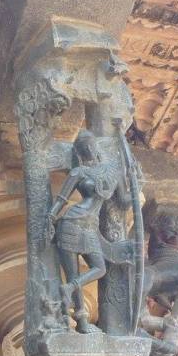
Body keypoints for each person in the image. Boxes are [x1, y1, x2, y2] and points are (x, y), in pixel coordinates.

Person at [48, 130, 118, 333]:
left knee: (100, 268)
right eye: (85, 146)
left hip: (90, 227)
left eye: (90, 144)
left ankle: (70, 288)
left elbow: (121, 199)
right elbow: (62, 198)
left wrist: (133, 179)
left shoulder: (105, 172)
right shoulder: (77, 172)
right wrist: (50, 217)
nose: (89, 148)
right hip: (71, 221)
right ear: (81, 151)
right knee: (73, 273)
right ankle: (83, 323)